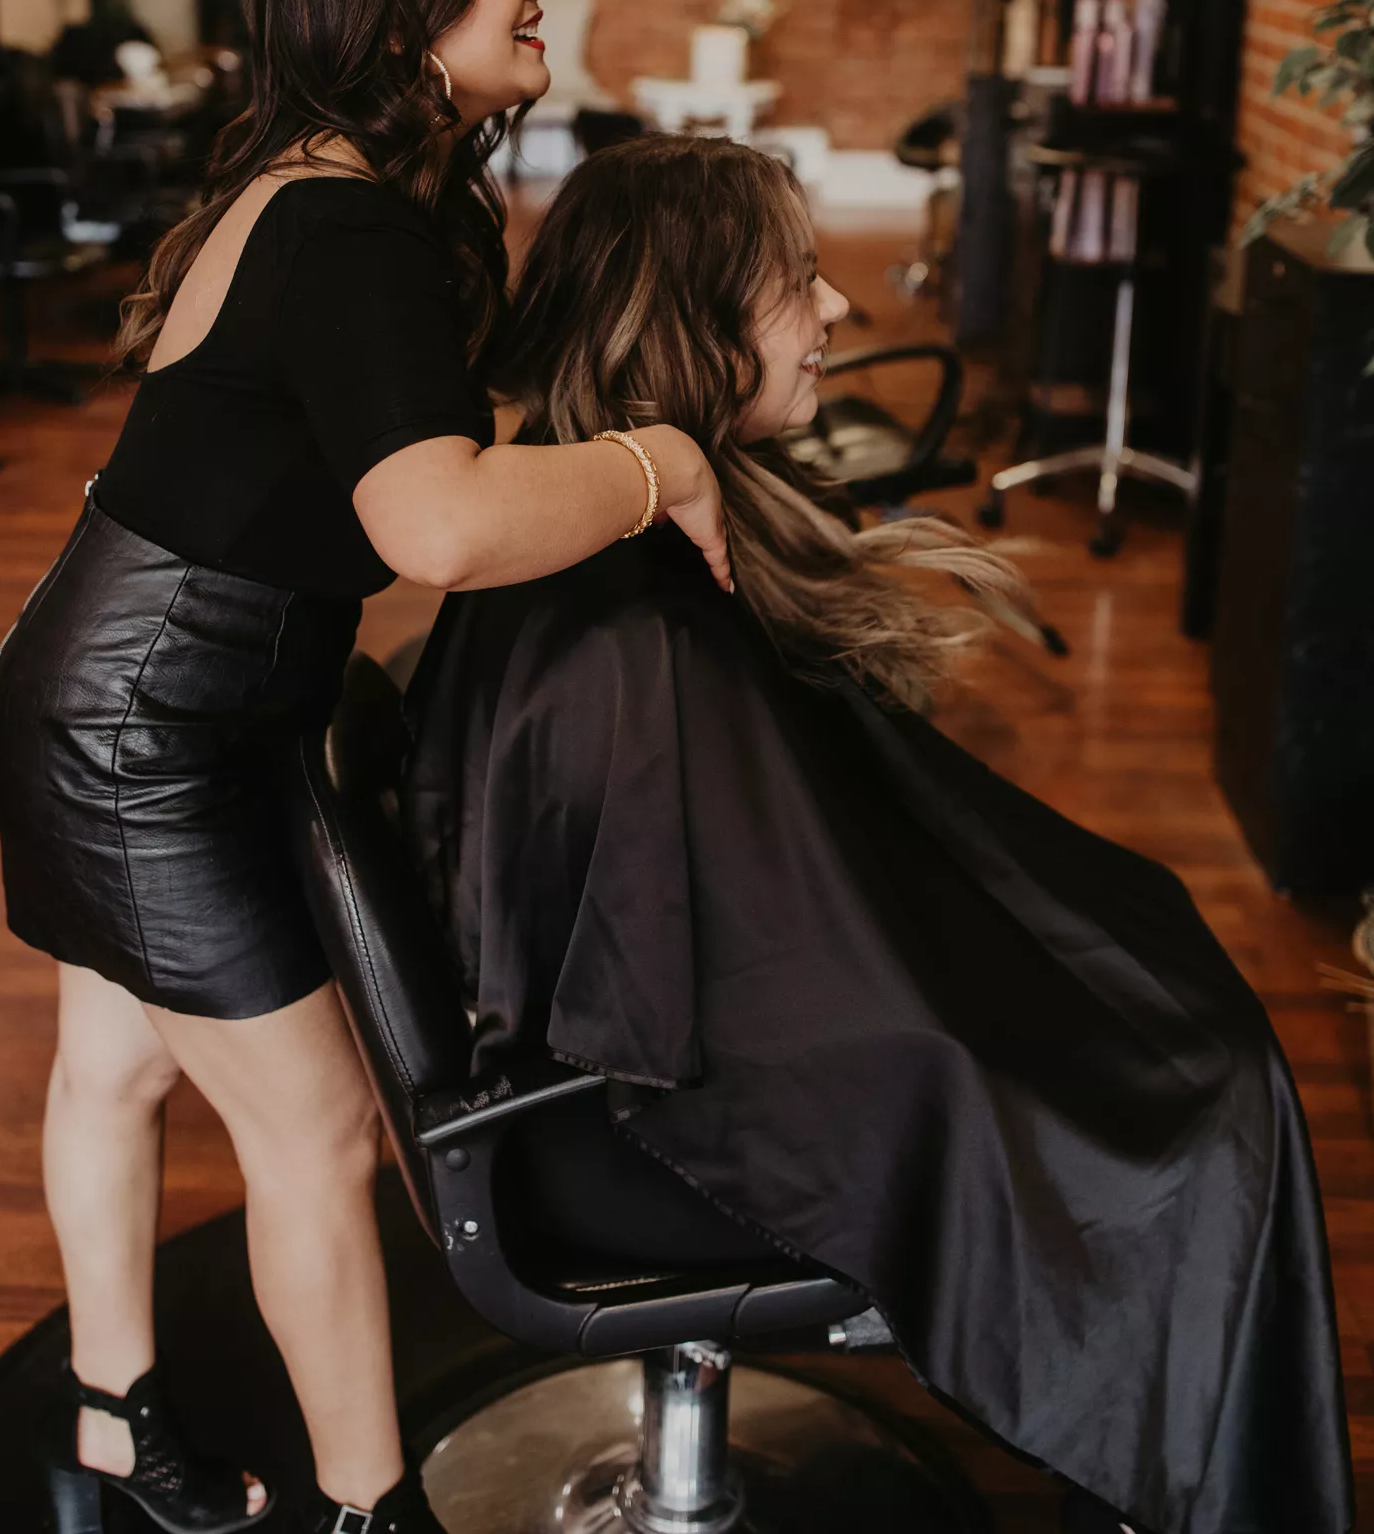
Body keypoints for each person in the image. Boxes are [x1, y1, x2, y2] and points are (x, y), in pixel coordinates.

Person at [402, 135, 1354, 1534]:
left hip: (606, 1089)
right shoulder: (633, 629)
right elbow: (728, 999)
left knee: (1150, 1003)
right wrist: (995, 1044)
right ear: (692, 317)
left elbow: (758, 924)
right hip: (625, 1144)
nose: (837, 309)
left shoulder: (612, 547)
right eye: (796, 282)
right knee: (1195, 1122)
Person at [0, 0, 731, 1534]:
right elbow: (440, 523)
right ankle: (371, 1513)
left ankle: (109, 1438)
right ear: (397, 5)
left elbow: (418, 460)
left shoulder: (332, 194)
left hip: (125, 695)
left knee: (119, 1064)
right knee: (316, 1136)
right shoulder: (345, 229)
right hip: (138, 736)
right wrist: (658, 466)